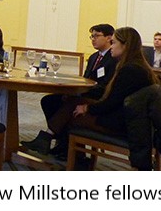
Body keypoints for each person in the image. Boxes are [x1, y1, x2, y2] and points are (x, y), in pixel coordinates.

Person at [22, 23, 118, 155]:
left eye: (97, 36)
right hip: (85, 93)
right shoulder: (94, 57)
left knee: (70, 104)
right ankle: (61, 140)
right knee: (50, 100)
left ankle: (53, 139)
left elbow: (105, 86)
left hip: (97, 98)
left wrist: (78, 94)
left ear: (109, 38)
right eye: (92, 36)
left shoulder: (113, 59)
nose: (93, 39)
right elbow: (86, 79)